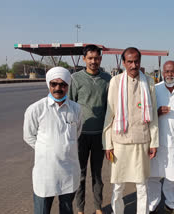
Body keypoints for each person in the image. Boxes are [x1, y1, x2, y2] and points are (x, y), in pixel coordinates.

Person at [102, 47, 159, 214]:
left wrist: (154, 142)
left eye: (136, 61)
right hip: (120, 141)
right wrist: (107, 144)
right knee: (118, 185)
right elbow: (109, 113)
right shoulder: (115, 81)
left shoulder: (148, 81)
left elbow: (153, 114)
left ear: (140, 61)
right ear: (123, 63)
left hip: (142, 140)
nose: (133, 65)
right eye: (130, 62)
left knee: (142, 185)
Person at [23, 67, 82, 214]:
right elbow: (29, 136)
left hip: (69, 170)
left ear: (68, 86)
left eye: (63, 85)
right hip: (46, 172)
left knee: (67, 208)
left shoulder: (76, 109)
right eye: (54, 84)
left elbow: (77, 132)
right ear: (48, 85)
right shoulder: (36, 109)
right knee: (42, 209)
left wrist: (63, 147)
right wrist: (48, 150)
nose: (58, 88)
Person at [69, 44, 111, 214]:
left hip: (100, 135)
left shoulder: (108, 79)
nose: (94, 61)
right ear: (84, 59)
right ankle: (80, 209)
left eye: (97, 58)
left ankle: (98, 207)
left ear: (100, 59)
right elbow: (69, 105)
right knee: (80, 175)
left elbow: (111, 106)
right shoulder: (75, 79)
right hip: (80, 136)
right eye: (90, 58)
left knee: (97, 175)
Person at [148, 61, 174, 214]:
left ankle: (171, 205)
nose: (169, 74)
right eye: (166, 71)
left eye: (172, 71)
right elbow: (146, 114)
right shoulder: (155, 89)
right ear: (162, 73)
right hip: (155, 141)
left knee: (172, 177)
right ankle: (151, 206)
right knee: (153, 177)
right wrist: (157, 112)